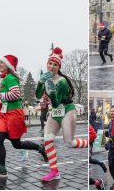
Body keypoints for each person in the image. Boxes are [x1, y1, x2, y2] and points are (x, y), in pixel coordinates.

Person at [0, 55, 47, 178]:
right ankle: (2, 169)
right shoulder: (5, 78)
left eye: (1, 63)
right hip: (5, 114)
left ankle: (40, 148)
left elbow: (15, 94)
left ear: (8, 65)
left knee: (16, 144)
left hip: (14, 114)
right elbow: (6, 97)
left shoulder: (10, 77)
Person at [36, 47, 88, 181]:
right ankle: (54, 171)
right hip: (56, 112)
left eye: (55, 64)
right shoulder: (45, 78)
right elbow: (37, 95)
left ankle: (88, 142)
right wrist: (41, 83)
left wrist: (52, 91)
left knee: (69, 142)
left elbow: (55, 102)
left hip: (67, 110)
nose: (51, 66)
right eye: (50, 63)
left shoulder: (62, 81)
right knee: (47, 139)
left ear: (59, 67)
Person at [104, 106, 114, 189]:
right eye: (111, 111)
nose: (111, 112)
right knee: (110, 165)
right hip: (112, 148)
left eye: (113, 111)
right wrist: (107, 135)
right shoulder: (111, 121)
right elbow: (110, 134)